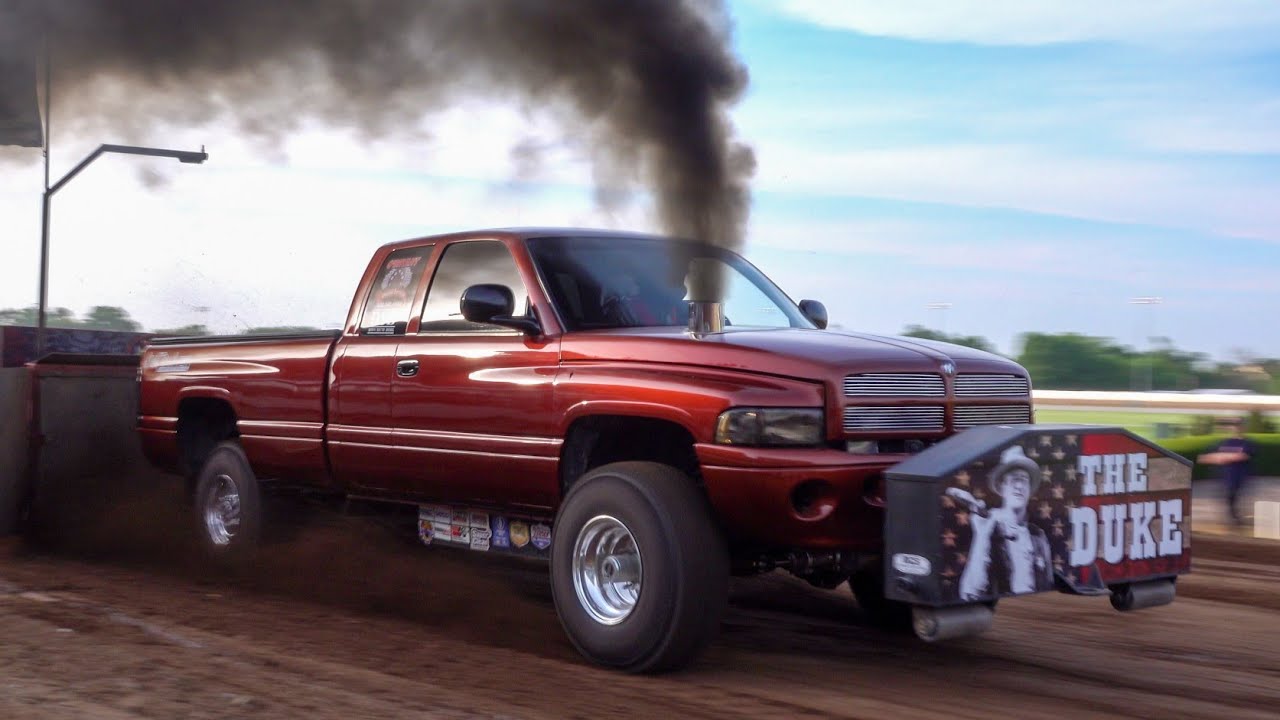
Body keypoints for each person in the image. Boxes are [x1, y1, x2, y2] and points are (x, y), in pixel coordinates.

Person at [958, 445, 1054, 600]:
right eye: (1014, 479)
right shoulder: (990, 526)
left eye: (1024, 480)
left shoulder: (1038, 536)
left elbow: (1048, 584)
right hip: (1006, 611)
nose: (1019, 486)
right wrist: (982, 537)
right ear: (1002, 487)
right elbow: (970, 592)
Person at [1198, 417, 1255, 526]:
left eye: (1239, 425)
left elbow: (1243, 455)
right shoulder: (1225, 442)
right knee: (1227, 498)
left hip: (1240, 476)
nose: (1236, 428)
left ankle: (1236, 520)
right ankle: (1235, 519)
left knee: (1233, 497)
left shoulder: (1247, 443)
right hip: (1225, 476)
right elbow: (1213, 455)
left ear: (1243, 427)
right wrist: (1210, 457)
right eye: (1234, 426)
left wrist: (1225, 457)